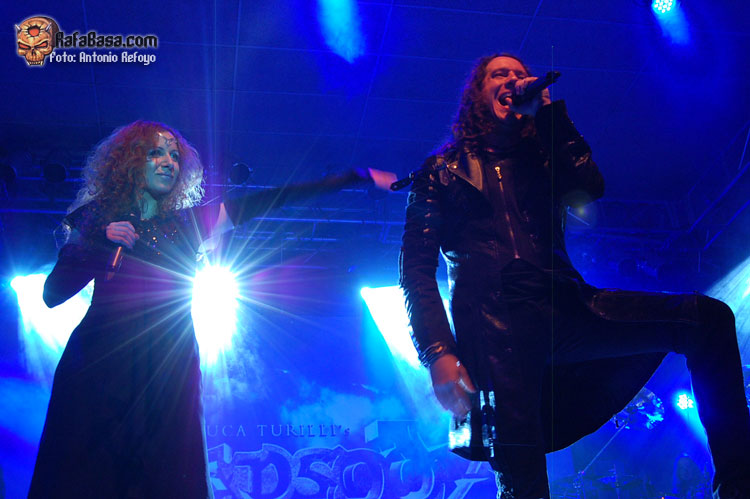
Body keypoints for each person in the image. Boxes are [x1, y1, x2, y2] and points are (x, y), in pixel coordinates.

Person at [398, 54, 750, 499]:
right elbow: (415, 270)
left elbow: (590, 185)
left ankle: (739, 483)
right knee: (523, 477)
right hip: (494, 329)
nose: (513, 79)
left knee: (707, 318)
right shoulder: (440, 172)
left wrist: (548, 114)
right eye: (499, 74)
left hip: (564, 306)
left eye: (519, 73)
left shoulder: (543, 156)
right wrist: (437, 351)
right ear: (476, 95)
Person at [28, 120, 395, 498]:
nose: (169, 162)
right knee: (89, 474)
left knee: (167, 472)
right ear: (131, 162)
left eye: (175, 155)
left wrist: (351, 177)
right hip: (101, 360)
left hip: (167, 364)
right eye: (156, 153)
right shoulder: (97, 219)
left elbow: (274, 198)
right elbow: (52, 294)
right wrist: (98, 243)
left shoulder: (189, 224)